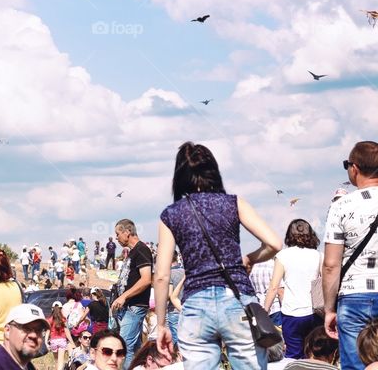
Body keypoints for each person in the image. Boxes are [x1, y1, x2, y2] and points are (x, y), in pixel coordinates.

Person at [153, 141, 282, 370]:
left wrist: (161, 324)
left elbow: (162, 276)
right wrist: (250, 259)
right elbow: (274, 243)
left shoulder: (171, 215)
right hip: (237, 299)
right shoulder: (233, 203)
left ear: (179, 176)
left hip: (196, 304)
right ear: (213, 171)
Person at [323, 141, 378, 370]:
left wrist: (329, 309)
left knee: (356, 364)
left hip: (354, 295)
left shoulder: (342, 206)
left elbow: (331, 264)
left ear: (354, 168)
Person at [264, 219, 322, 359]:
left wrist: (265, 310)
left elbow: (274, 287)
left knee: (293, 355)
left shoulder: (282, 256)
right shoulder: (318, 255)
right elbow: (324, 283)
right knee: (315, 355)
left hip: (291, 313)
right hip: (314, 312)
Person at [109, 219, 153, 369]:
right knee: (135, 350)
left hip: (134, 306)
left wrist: (124, 296)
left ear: (127, 232)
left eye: (117, 234)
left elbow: (146, 279)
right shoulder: (133, 252)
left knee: (124, 347)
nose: (116, 238)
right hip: (129, 307)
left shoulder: (142, 250)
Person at [46, 302, 72, 370]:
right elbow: (66, 331)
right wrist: (71, 342)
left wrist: (46, 342)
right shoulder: (63, 319)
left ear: (52, 309)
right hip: (62, 340)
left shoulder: (49, 319)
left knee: (56, 361)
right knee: (61, 361)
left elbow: (48, 331)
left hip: (53, 341)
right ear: (61, 309)